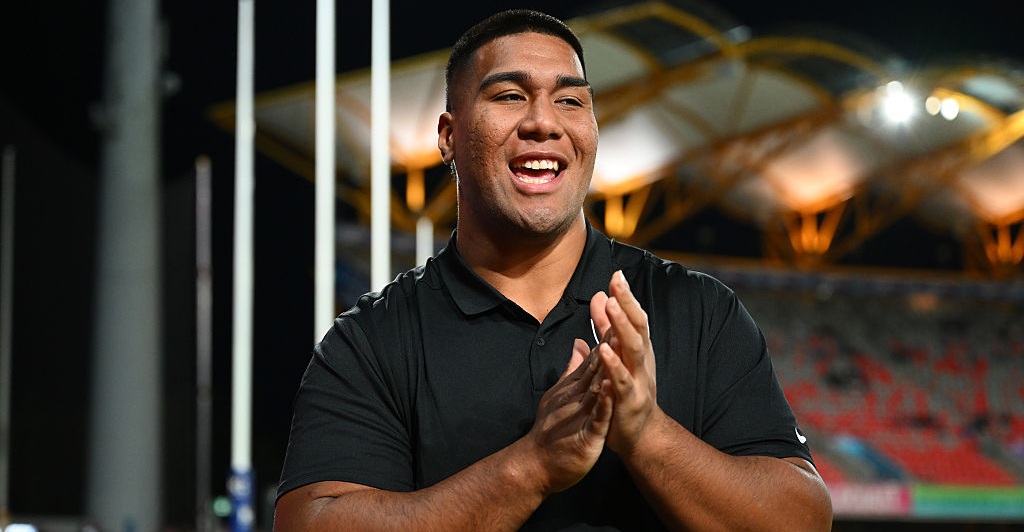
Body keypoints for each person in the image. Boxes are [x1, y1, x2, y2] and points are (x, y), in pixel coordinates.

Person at [274, 9, 832, 531]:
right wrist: (532, 466)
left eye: (570, 101)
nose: (544, 122)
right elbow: (309, 521)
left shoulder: (697, 310)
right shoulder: (373, 340)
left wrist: (647, 432)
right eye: (510, 96)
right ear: (449, 136)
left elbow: (804, 518)